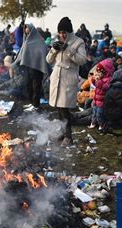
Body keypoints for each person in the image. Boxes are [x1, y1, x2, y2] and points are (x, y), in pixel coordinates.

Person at [47, 17, 87, 147]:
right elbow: (48, 60)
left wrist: (68, 49)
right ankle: (63, 132)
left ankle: (68, 137)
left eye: (65, 32)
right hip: (56, 76)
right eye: (60, 32)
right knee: (59, 108)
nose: (62, 35)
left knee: (64, 108)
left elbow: (82, 60)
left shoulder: (78, 42)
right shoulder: (57, 40)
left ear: (69, 32)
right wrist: (53, 49)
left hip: (68, 78)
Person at [13, 23, 48, 109]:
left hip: (37, 68)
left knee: (36, 87)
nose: (25, 30)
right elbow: (22, 53)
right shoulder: (26, 40)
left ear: (31, 29)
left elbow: (43, 53)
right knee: (28, 86)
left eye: (27, 28)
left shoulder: (40, 41)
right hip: (28, 68)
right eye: (25, 28)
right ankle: (32, 103)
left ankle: (36, 104)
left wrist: (37, 60)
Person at [88, 59, 115, 131]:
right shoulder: (100, 78)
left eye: (99, 72)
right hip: (96, 99)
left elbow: (105, 87)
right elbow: (95, 85)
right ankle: (93, 123)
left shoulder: (108, 79)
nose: (98, 73)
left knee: (100, 114)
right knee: (94, 113)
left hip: (102, 101)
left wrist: (99, 81)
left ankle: (102, 125)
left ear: (104, 72)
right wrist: (94, 79)